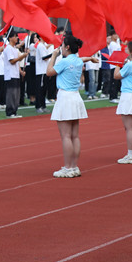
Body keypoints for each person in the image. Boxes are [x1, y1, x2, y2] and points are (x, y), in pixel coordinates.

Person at [46, 36, 88, 178]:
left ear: (67, 47)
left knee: (66, 136)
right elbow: (84, 59)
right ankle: (74, 166)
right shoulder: (77, 60)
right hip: (75, 97)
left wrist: (53, 56)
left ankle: (68, 167)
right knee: (75, 136)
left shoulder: (64, 62)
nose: (61, 47)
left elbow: (49, 72)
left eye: (63, 45)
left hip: (65, 97)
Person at [3, 33, 28, 118]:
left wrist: (21, 71)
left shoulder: (14, 48)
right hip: (10, 74)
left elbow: (16, 63)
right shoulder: (9, 48)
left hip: (15, 74)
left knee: (16, 93)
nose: (17, 38)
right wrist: (22, 57)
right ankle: (10, 112)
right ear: (10, 38)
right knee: (11, 93)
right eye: (15, 36)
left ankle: (14, 111)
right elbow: (12, 61)